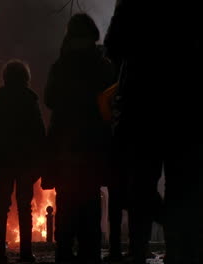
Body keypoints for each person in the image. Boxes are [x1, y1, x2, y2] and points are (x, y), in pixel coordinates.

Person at [104, 1, 201, 263]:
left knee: (142, 183)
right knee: (180, 184)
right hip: (185, 108)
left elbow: (113, 45)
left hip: (142, 107)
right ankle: (179, 248)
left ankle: (138, 249)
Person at [43, 13, 114, 264]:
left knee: (67, 206)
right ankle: (89, 256)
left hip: (67, 149)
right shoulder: (103, 65)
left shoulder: (61, 66)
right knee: (90, 207)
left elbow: (49, 99)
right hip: (93, 148)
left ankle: (65, 255)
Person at [0, 60, 45, 264]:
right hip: (25, 163)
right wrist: (38, 165)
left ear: (5, 78)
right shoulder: (30, 101)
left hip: (4, 162)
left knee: (2, 205)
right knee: (25, 207)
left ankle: (0, 253)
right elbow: (39, 135)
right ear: (26, 78)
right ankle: (26, 252)